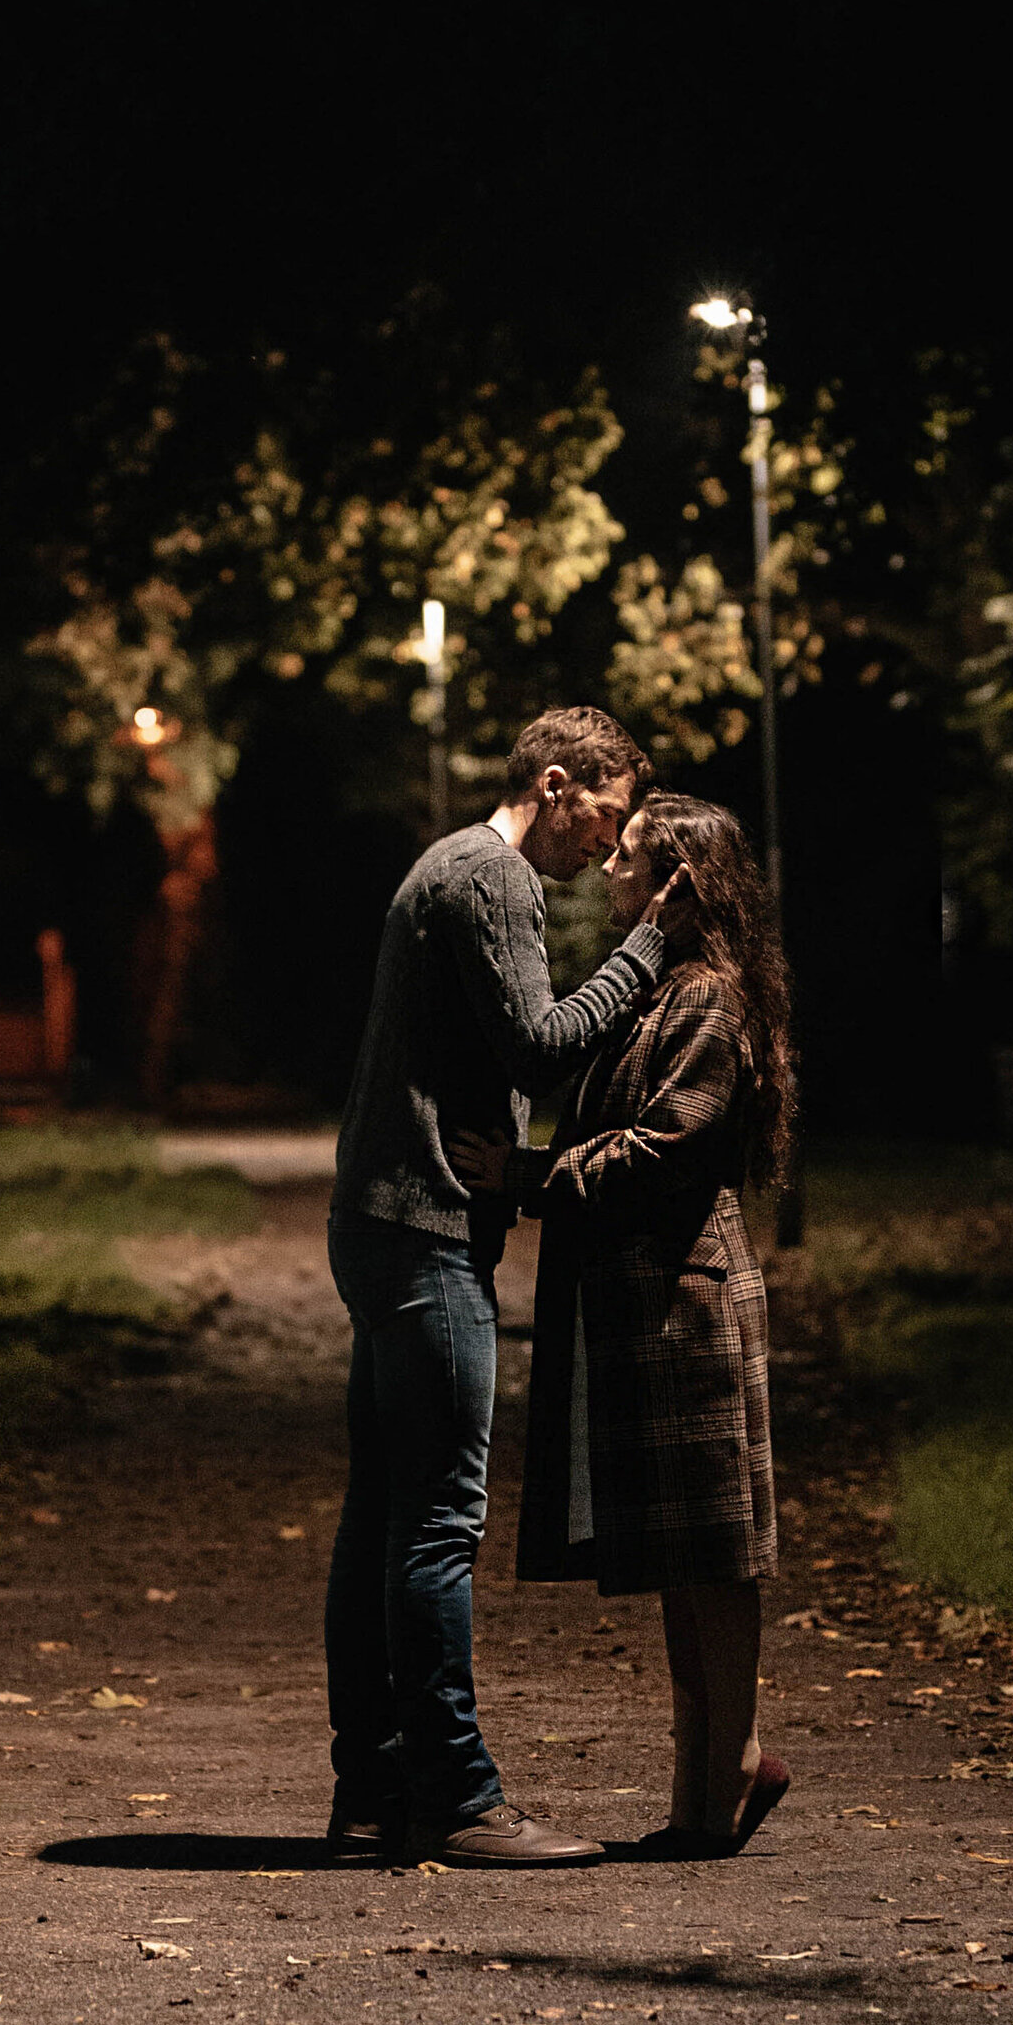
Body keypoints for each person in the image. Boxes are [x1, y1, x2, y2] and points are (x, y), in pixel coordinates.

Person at [325, 704, 667, 1867]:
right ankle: (462, 1799)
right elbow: (538, 1041)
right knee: (433, 1522)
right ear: (559, 783)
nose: (604, 847)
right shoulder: (495, 878)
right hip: (425, 1229)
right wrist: (646, 952)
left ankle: (371, 1793)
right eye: (606, 817)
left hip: (380, 1220)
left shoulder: (444, 864)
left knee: (381, 1513)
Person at [453, 790, 794, 1859]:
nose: (608, 871)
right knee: (685, 1554)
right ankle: (710, 1775)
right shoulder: (664, 989)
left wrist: (528, 1175)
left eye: (631, 859)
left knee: (715, 1555)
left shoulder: (710, 1000)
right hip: (654, 1298)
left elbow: (665, 1146)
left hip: (689, 1297)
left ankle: (725, 1769)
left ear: (680, 884)